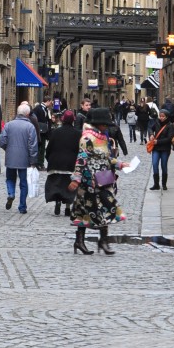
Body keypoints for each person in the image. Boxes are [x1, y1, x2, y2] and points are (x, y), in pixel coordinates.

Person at [68, 107, 129, 255]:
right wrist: (76, 178)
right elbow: (81, 159)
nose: (107, 126)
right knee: (86, 210)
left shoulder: (102, 137)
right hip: (90, 181)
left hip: (104, 178)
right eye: (105, 124)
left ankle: (102, 241)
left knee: (104, 208)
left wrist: (119, 164)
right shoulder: (87, 138)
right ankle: (81, 241)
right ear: (97, 123)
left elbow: (106, 157)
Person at [0, 103, 38, 213]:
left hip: (11, 157)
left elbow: (2, 140)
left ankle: (11, 193)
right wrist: (33, 160)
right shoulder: (30, 127)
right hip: (24, 158)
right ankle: (22, 206)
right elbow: (32, 145)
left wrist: (8, 148)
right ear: (27, 114)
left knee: (10, 178)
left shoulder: (8, 125)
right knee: (23, 183)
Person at [45, 110, 81, 216]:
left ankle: (58, 202)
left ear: (63, 120)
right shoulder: (78, 134)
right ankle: (68, 208)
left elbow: (49, 148)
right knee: (68, 186)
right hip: (71, 164)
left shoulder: (56, 132)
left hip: (56, 163)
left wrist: (49, 158)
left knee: (56, 185)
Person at [148, 108, 174, 191]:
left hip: (165, 149)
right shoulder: (156, 122)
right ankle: (156, 184)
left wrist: (157, 142)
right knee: (155, 164)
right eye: (160, 116)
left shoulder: (170, 125)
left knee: (164, 165)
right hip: (156, 148)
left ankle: (164, 184)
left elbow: (169, 139)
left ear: (166, 117)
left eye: (163, 116)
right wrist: (151, 134)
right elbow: (150, 128)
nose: (161, 118)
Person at [31, 96, 52, 169]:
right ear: (48, 101)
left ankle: (41, 163)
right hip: (39, 131)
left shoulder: (46, 109)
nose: (51, 103)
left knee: (42, 148)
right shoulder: (38, 108)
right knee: (39, 147)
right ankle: (38, 163)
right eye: (50, 102)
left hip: (44, 131)